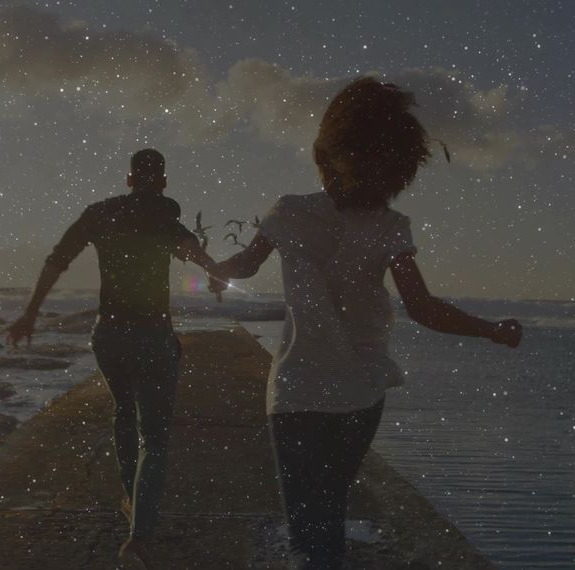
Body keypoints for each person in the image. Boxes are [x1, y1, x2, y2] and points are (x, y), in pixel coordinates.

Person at [208, 78, 522, 569]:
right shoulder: (390, 228)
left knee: (308, 534)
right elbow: (422, 307)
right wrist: (490, 329)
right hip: (359, 397)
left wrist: (214, 270)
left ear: (321, 154)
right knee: (328, 514)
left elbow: (245, 266)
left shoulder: (288, 212)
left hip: (296, 395)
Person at [5, 149, 218, 568]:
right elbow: (199, 257)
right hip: (153, 335)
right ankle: (138, 539)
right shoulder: (165, 218)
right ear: (161, 182)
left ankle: (131, 497)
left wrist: (30, 312)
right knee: (154, 438)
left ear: (128, 180)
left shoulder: (100, 214)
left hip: (108, 335)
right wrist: (214, 275)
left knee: (124, 411)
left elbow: (57, 261)